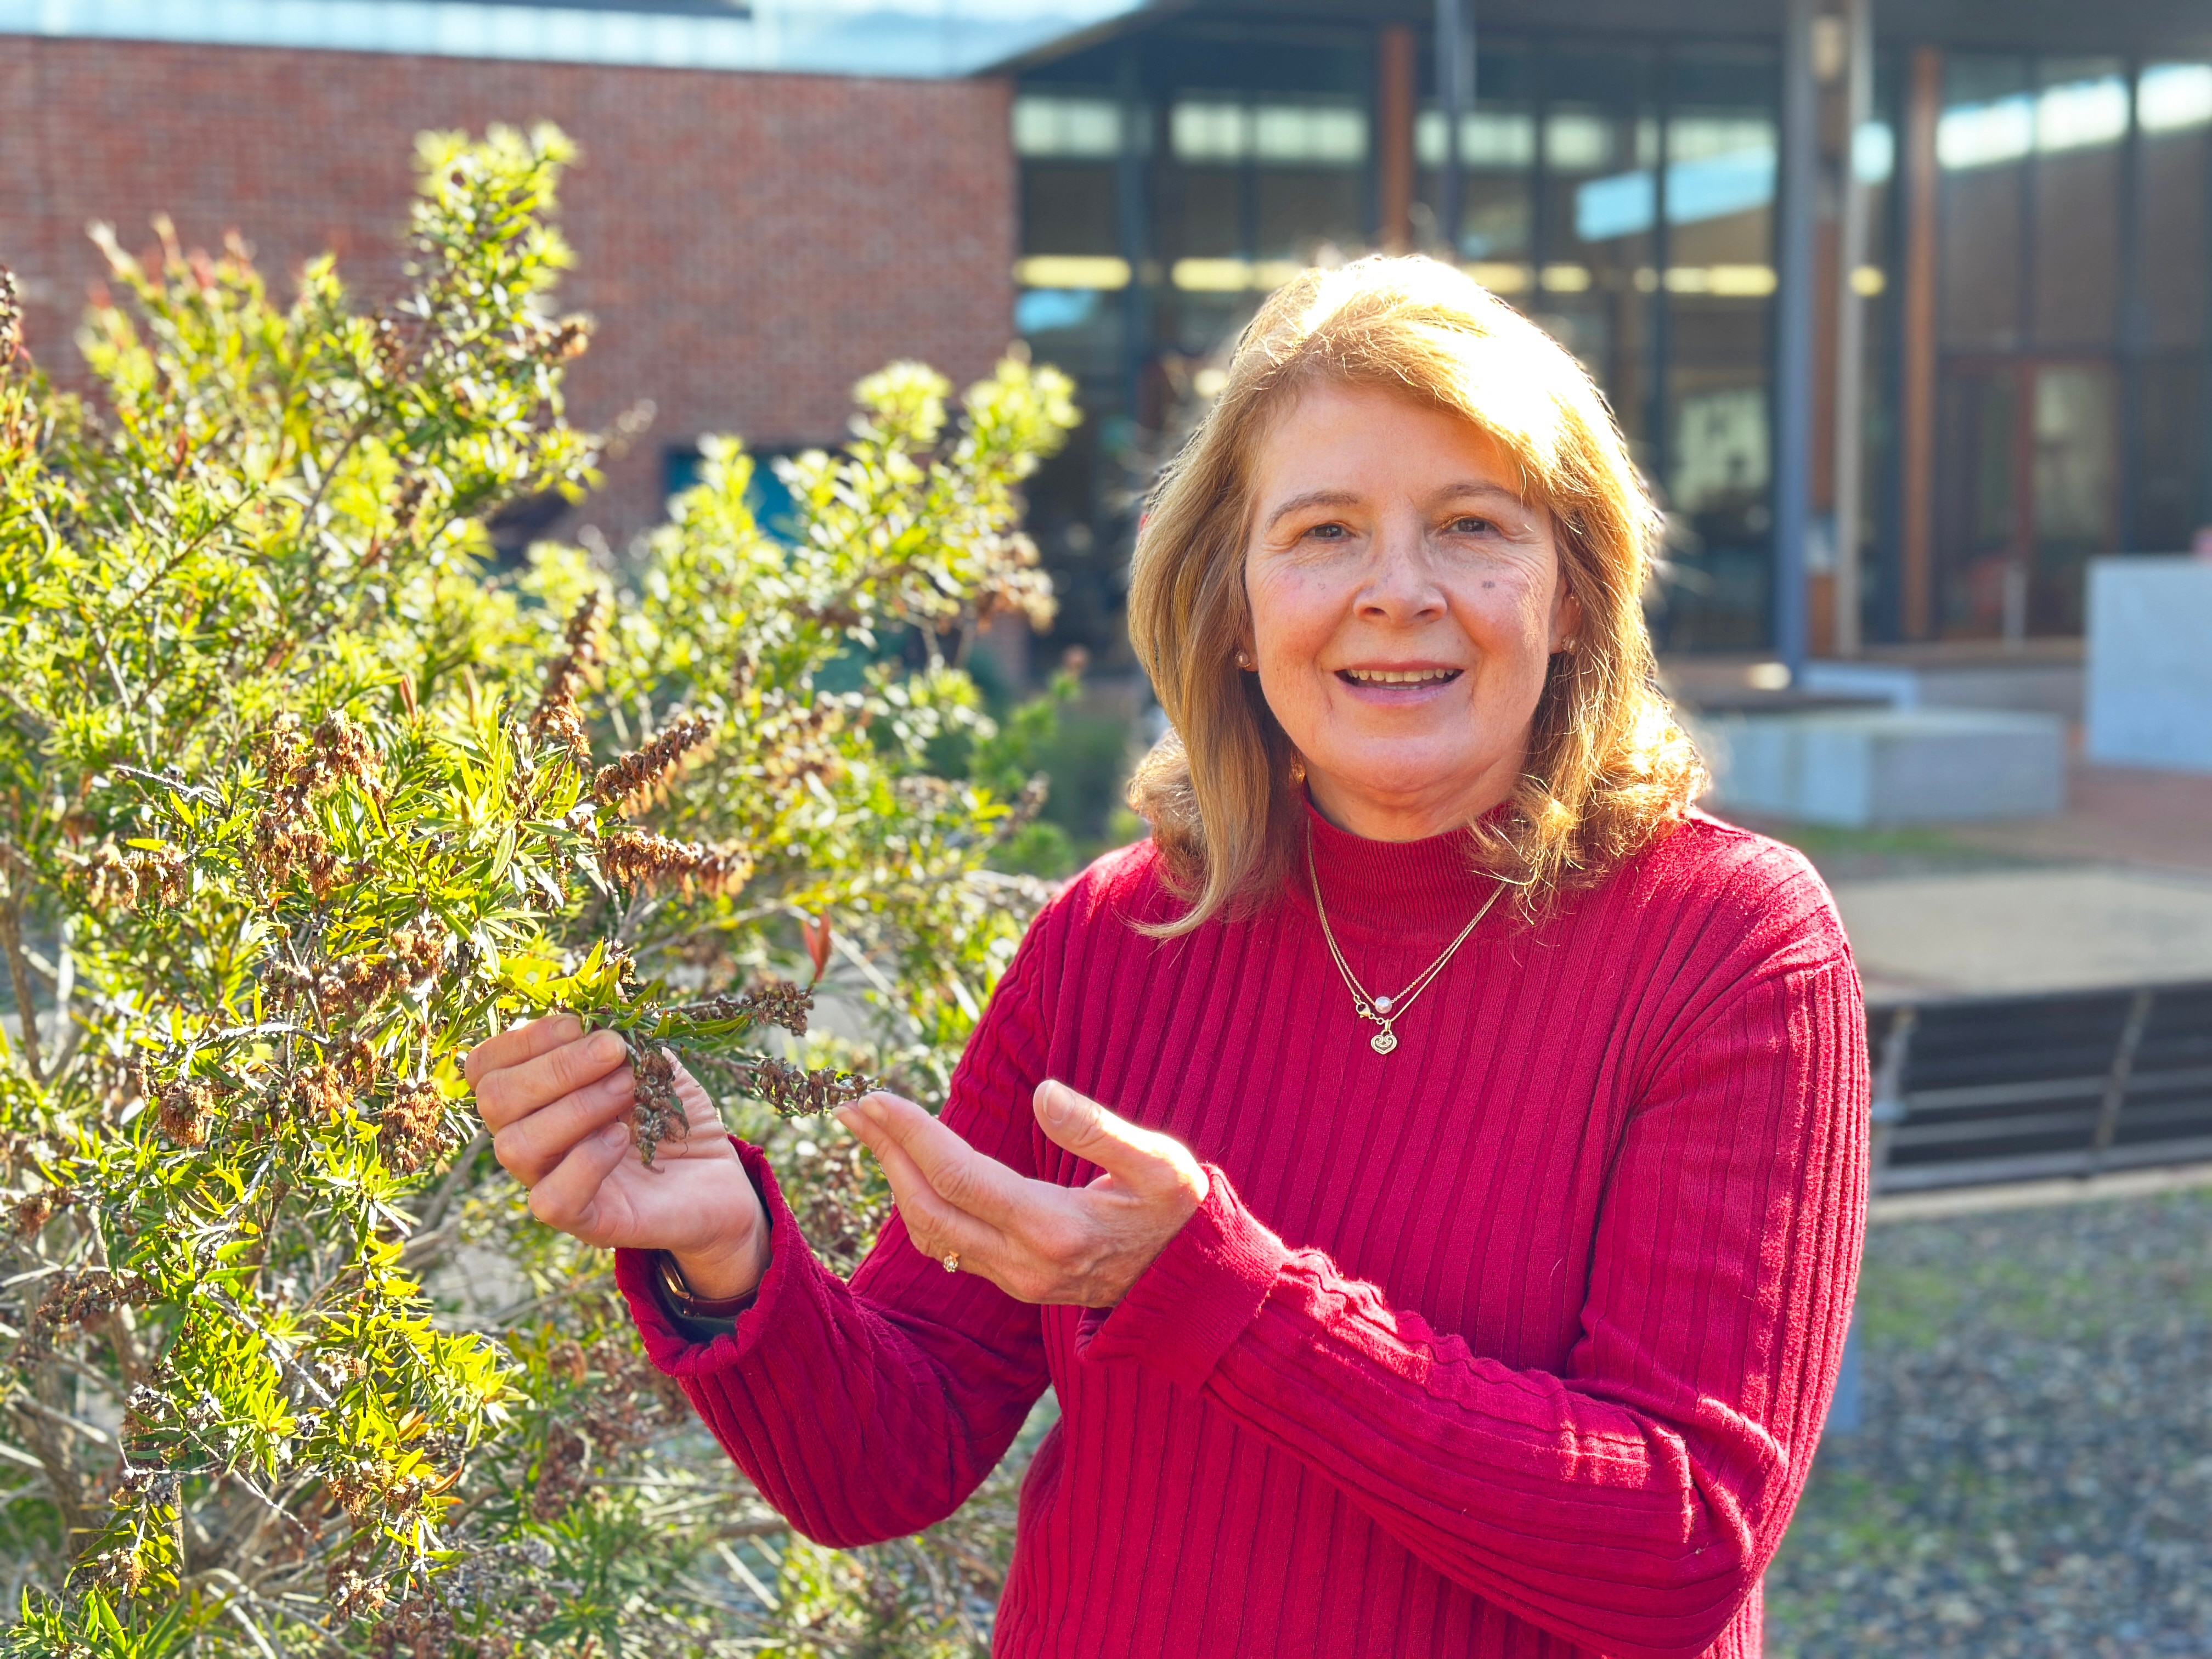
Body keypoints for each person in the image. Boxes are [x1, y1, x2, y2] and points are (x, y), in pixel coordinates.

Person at [465, 255, 1868, 1659]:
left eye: (1470, 525)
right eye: (1323, 532)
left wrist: (1224, 1300)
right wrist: (730, 1252)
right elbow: (891, 1458)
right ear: (1237, 613)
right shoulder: (1115, 939)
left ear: (1568, 596)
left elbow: (1678, 1550)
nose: (1398, 591)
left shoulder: (1732, 947)